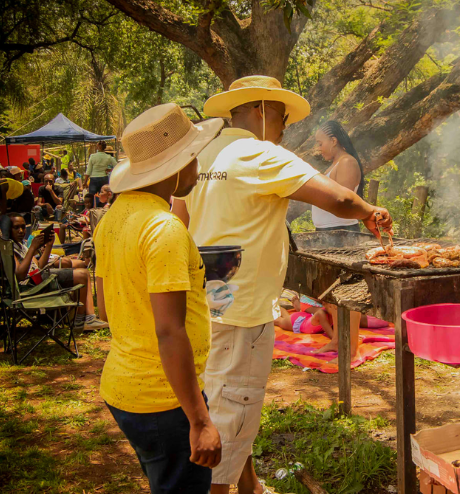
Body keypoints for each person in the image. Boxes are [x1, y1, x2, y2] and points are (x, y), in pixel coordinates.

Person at [171, 75, 393, 494]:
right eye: (283, 116)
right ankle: (220, 489)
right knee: (234, 399)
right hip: (244, 301)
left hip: (208, 287)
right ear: (260, 110)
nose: (286, 126)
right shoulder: (261, 154)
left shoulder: (201, 152)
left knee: (221, 393)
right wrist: (369, 209)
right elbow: (339, 199)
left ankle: (249, 485)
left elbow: (179, 220)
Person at [95, 103, 222, 493]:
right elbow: (169, 332)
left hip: (123, 387)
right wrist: (199, 421)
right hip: (163, 399)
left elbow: (102, 309)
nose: (198, 165)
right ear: (179, 165)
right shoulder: (163, 228)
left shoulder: (112, 219)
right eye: (194, 156)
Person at [7, 213, 108, 330]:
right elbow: (19, 274)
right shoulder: (10, 248)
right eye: (16, 227)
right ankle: (80, 321)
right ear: (9, 229)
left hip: (39, 278)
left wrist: (49, 246)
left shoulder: (20, 245)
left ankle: (88, 317)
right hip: (31, 285)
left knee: (82, 271)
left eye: (23, 227)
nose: (21, 231)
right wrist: (33, 248)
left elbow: (39, 266)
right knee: (82, 274)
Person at [312, 120, 365, 232]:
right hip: (329, 231)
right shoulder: (335, 164)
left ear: (333, 141)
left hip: (341, 231)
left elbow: (343, 202)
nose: (318, 148)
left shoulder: (347, 162)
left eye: (320, 144)